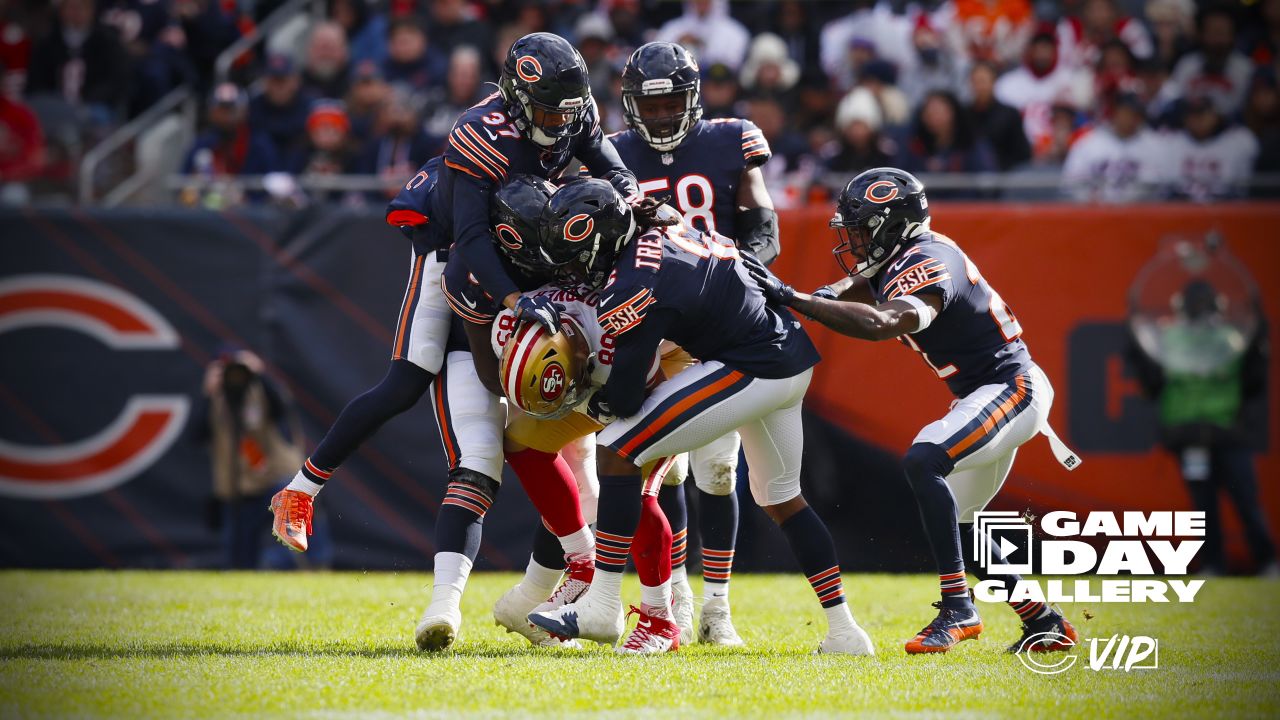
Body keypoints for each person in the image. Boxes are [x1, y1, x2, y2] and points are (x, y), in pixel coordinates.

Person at [267, 33, 638, 653]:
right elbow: (471, 241)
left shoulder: (573, 116)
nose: (558, 123)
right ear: (518, 101)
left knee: (564, 451)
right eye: (545, 111)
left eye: (565, 112)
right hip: (457, 262)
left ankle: (549, 591)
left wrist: (632, 200)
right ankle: (302, 490)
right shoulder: (479, 135)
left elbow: (616, 171)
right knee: (410, 381)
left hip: (528, 264)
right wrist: (518, 306)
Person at [527, 178, 875, 656]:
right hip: (788, 354)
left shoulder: (632, 282)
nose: (571, 267)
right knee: (783, 499)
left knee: (619, 446)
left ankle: (606, 605)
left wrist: (585, 391)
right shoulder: (661, 231)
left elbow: (626, 401)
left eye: (576, 252)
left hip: (754, 366)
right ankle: (846, 632)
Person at [744, 167, 1080, 655]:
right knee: (959, 523)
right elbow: (863, 286)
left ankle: (958, 607)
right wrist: (820, 297)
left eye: (861, 230)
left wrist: (798, 299)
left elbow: (885, 320)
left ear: (891, 225)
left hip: (1011, 387)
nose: (854, 241)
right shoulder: (903, 256)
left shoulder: (927, 260)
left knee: (925, 459)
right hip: (988, 391)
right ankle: (1044, 622)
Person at [599, 41, 782, 646]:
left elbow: (762, 225)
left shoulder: (732, 139)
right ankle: (673, 592)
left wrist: (740, 274)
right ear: (629, 105)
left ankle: (718, 608)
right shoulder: (614, 154)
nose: (658, 116)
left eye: (672, 102)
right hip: (651, 322)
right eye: (648, 106)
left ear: (694, 97)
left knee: (720, 470)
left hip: (721, 322)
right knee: (664, 470)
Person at [1129, 280, 1277, 576]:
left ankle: (1265, 561)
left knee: (1240, 501)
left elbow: (1253, 377)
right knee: (1208, 506)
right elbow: (1150, 376)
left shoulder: (1220, 338)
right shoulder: (1223, 337)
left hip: (1222, 431)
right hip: (1196, 433)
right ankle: (1217, 564)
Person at [195, 350, 304, 569]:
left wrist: (261, 376)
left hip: (270, 481)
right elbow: (195, 435)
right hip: (236, 490)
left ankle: (301, 565)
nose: (235, 377)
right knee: (240, 558)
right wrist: (208, 394)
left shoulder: (259, 391)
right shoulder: (215, 400)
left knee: (294, 504)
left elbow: (283, 409)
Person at [1061, 92, 1165, 202]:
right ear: (1115, 112)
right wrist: (1087, 198)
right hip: (1096, 213)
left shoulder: (1153, 145)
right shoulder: (1089, 144)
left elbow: (1158, 186)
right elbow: (1071, 183)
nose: (1132, 118)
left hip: (1139, 213)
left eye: (1137, 114)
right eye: (1127, 112)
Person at [1165, 95, 1260, 201]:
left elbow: (1241, 190)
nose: (1197, 121)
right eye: (1192, 116)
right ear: (1185, 119)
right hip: (1184, 209)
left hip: (1226, 207)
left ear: (1215, 116)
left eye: (1202, 115)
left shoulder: (1237, 140)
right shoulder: (1173, 142)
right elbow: (1170, 189)